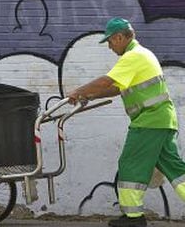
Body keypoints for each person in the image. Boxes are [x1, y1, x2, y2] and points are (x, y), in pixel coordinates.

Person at [67, 17, 185, 227]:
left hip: (149, 121)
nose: (110, 47)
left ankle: (134, 218)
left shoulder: (133, 57)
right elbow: (116, 88)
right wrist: (91, 96)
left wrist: (78, 91)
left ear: (120, 37)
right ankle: (133, 217)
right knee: (175, 170)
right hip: (162, 120)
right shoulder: (142, 54)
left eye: (110, 42)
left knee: (129, 165)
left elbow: (106, 81)